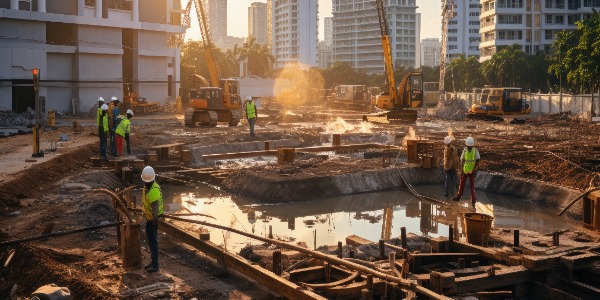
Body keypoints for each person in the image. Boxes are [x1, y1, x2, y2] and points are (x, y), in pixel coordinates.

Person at [141, 166, 163, 273]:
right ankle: (153, 262)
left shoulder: (153, 190)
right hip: (149, 218)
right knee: (150, 241)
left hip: (153, 220)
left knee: (153, 242)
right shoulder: (147, 188)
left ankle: (155, 265)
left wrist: (155, 223)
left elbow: (155, 210)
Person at [452, 137, 480, 207]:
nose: (469, 147)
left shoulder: (468, 150)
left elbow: (462, 160)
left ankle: (470, 199)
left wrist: (471, 170)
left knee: (465, 185)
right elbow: (476, 160)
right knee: (466, 185)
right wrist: (467, 170)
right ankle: (470, 199)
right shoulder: (474, 151)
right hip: (467, 170)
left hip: (468, 171)